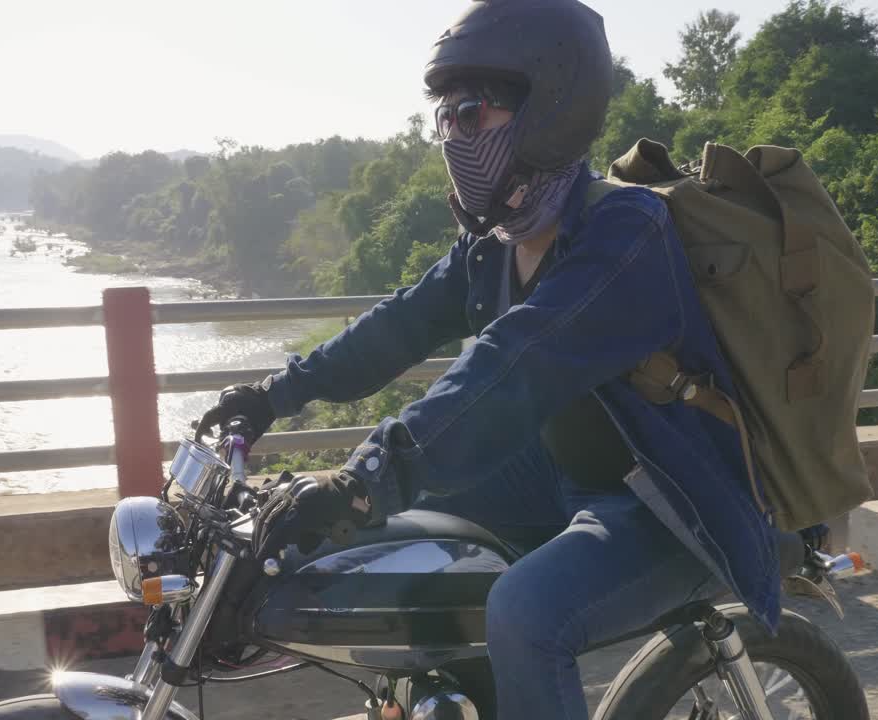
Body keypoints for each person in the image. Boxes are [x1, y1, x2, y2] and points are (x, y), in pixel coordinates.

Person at [198, 1, 781, 718]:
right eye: (444, 119)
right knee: (396, 544)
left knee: (525, 614)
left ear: (551, 107)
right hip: (564, 473)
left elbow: (517, 363)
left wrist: (368, 475)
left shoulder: (626, 231)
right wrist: (273, 395)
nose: (455, 137)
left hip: (671, 497)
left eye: (472, 114)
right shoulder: (496, 243)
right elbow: (398, 326)